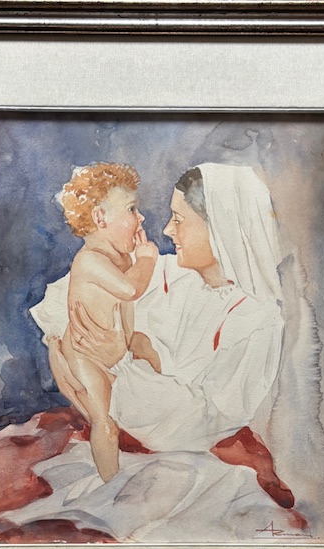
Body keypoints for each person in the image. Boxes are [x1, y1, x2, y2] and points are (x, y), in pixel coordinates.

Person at [36, 163, 294, 510]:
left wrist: (120, 365)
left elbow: (205, 423)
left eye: (179, 219)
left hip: (183, 461)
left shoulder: (260, 321)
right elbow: (61, 306)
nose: (167, 230)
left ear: (222, 228)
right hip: (121, 438)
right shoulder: (166, 273)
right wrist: (78, 349)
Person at [43, 162, 159, 482]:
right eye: (132, 209)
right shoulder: (89, 261)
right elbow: (130, 290)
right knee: (105, 423)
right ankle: (111, 485)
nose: (141, 218)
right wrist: (147, 259)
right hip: (86, 357)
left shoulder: (121, 256)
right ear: (100, 218)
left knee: (147, 346)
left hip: (116, 349)